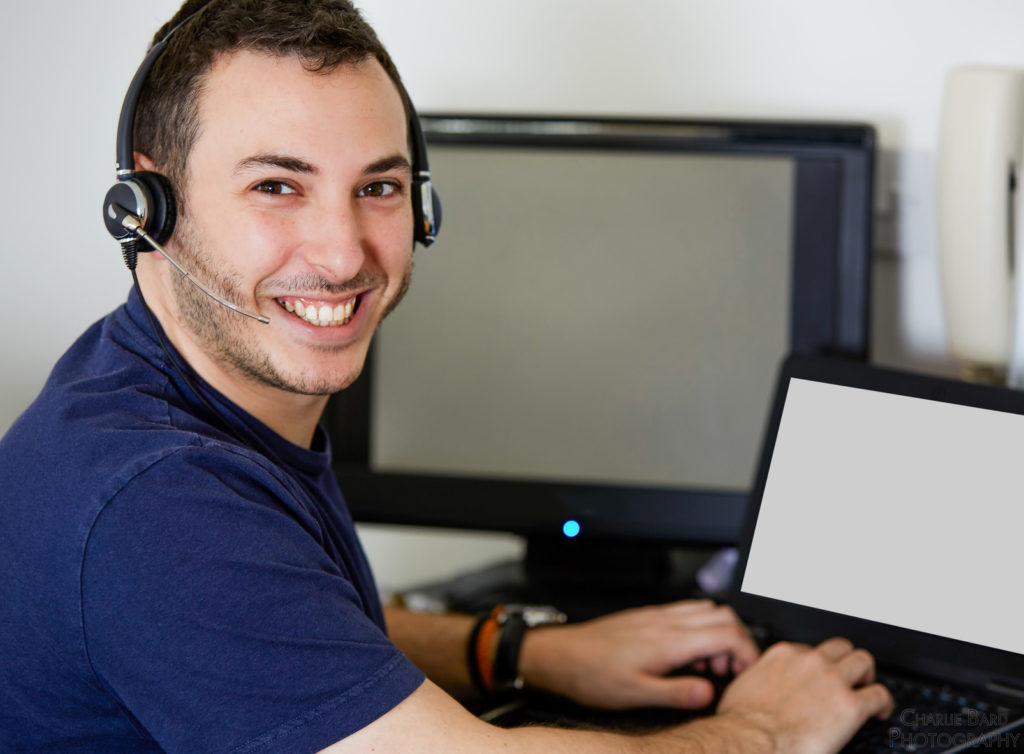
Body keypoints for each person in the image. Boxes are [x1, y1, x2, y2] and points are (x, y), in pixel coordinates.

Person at [0, 1, 893, 751]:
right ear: (148, 205)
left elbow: (293, 628)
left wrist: (522, 652)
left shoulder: (149, 384)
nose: (344, 252)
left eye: (378, 187)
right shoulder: (156, 501)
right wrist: (766, 730)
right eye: (277, 186)